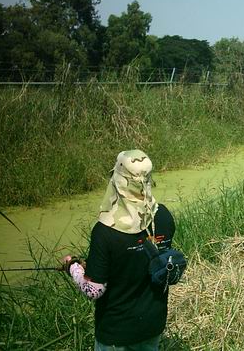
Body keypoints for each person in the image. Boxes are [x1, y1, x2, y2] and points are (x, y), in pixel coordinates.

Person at [62, 150, 176, 351]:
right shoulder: (163, 216)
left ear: (118, 181)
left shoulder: (105, 232)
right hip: (153, 324)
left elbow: (94, 289)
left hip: (116, 332)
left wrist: (73, 267)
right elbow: (145, 260)